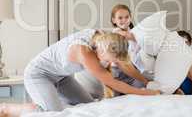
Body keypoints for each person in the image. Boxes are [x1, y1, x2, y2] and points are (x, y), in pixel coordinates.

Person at [0, 30, 160, 116]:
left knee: (89, 107)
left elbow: (124, 64)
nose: (111, 64)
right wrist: (146, 94)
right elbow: (113, 83)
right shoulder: (84, 52)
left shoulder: (107, 39)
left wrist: (147, 83)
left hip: (62, 78)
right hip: (39, 74)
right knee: (52, 113)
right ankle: (7, 108)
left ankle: (49, 99)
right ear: (101, 51)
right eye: (109, 60)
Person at [111, 4, 192, 94]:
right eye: (120, 18)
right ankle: (172, 90)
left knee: (151, 72)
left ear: (130, 18)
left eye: (127, 17)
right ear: (114, 20)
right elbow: (124, 35)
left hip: (139, 69)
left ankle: (171, 90)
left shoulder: (137, 32)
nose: (124, 20)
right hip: (123, 71)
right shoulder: (116, 34)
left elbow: (147, 44)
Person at [177, 30, 192, 95]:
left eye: (185, 42)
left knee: (190, 64)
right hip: (172, 84)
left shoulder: (191, 58)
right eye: (180, 42)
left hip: (186, 85)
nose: (183, 45)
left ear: (190, 44)